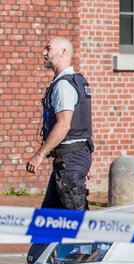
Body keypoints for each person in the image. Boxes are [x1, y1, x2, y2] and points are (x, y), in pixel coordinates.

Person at [26, 37, 94, 210]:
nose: (44, 53)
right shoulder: (75, 81)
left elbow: (64, 125)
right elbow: (82, 128)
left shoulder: (64, 86)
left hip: (71, 160)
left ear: (62, 52)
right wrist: (84, 161)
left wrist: (39, 155)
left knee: (78, 222)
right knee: (48, 221)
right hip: (70, 160)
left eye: (48, 49)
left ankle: (102, 238)